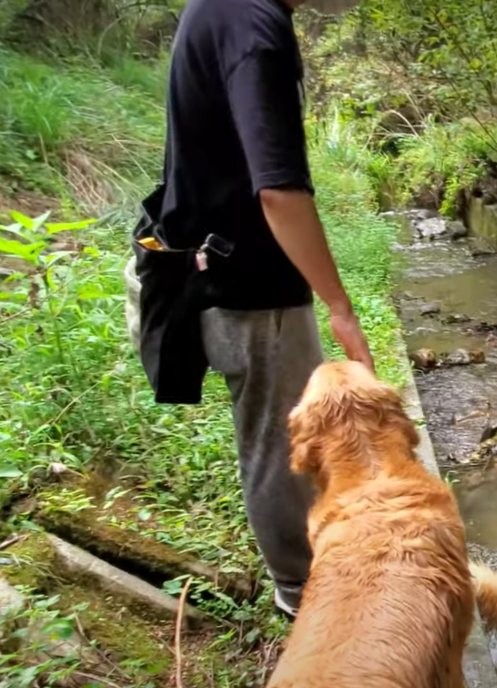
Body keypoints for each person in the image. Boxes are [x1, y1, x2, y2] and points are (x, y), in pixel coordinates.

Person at [125, 0, 367, 618]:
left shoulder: (218, 8)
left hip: (219, 268)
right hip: (250, 290)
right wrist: (339, 306)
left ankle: (314, 574)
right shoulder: (254, 27)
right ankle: (306, 595)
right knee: (280, 444)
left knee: (280, 437)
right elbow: (279, 191)